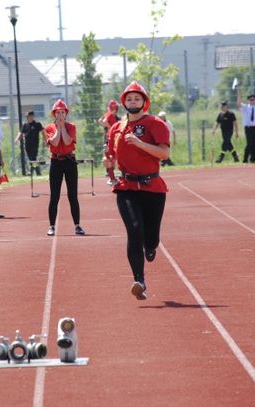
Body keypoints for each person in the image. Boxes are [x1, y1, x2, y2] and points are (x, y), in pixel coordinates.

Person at [103, 81, 169, 301]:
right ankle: (139, 280)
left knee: (151, 238)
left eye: (137, 98)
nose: (133, 101)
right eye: (129, 99)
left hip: (153, 187)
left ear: (144, 102)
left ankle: (151, 247)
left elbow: (164, 154)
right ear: (124, 102)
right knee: (134, 230)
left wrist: (140, 143)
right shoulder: (117, 128)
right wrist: (109, 163)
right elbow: (111, 155)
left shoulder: (155, 123)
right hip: (127, 188)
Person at [44, 99, 85, 237]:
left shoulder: (71, 127)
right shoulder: (49, 127)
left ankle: (77, 225)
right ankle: (51, 226)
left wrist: (63, 127)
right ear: (54, 114)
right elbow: (55, 143)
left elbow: (67, 141)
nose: (60, 115)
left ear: (66, 114)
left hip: (69, 162)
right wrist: (58, 128)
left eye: (63, 112)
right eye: (58, 112)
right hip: (56, 162)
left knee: (72, 195)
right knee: (54, 195)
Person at [15, 111, 46, 176]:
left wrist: (46, 140)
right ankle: (38, 173)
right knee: (32, 159)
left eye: (28, 116)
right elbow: (21, 133)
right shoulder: (25, 125)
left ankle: (30, 172)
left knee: (33, 158)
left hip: (34, 145)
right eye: (26, 116)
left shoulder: (37, 124)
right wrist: (17, 139)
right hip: (27, 145)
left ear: (32, 116)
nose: (27, 118)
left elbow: (43, 132)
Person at [237, 89, 255, 163]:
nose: (252, 101)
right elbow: (239, 103)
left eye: (253, 100)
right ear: (248, 100)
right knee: (249, 143)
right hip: (248, 128)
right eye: (251, 100)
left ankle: (253, 159)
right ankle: (245, 159)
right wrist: (239, 95)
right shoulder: (245, 107)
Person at [98, 100, 120, 184]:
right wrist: (110, 128)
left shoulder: (113, 116)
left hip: (113, 139)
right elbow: (101, 121)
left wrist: (110, 128)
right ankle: (111, 176)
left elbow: (101, 121)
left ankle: (112, 176)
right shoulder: (109, 114)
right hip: (110, 139)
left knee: (112, 158)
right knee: (109, 158)